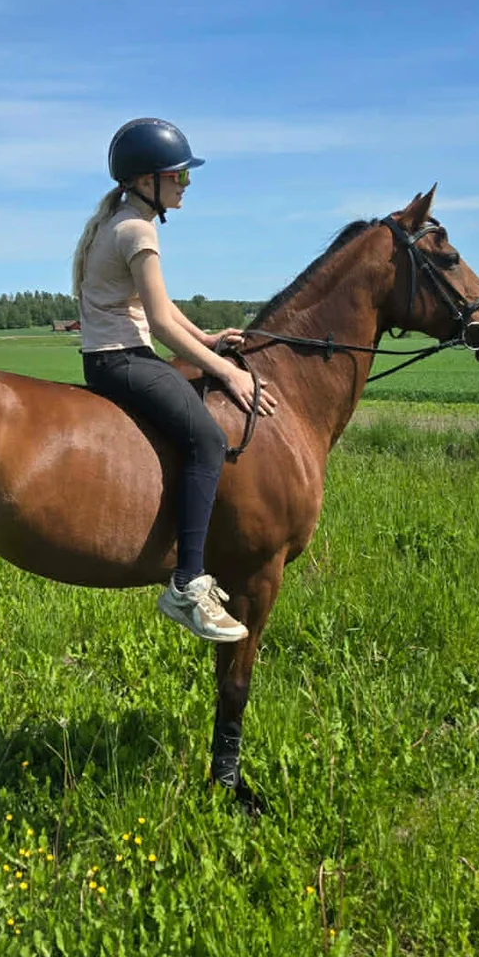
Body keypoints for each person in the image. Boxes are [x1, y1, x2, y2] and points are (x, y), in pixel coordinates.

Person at [72, 117, 276, 643]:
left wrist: (206, 339)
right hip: (123, 360)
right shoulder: (136, 229)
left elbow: (155, 307)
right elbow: (159, 325)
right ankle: (186, 584)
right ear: (146, 181)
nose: (185, 186)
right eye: (177, 177)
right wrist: (226, 369)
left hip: (114, 355)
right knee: (208, 439)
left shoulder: (120, 219)